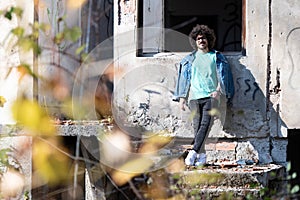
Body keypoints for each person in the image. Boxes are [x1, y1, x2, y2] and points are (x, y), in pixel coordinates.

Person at [173, 24, 235, 166]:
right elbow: (184, 79)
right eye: (199, 38)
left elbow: (224, 77)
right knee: (197, 127)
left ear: (209, 40)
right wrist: (182, 98)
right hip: (194, 97)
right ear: (195, 41)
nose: (201, 40)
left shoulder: (216, 57)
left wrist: (218, 91)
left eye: (204, 38)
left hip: (211, 96)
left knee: (205, 124)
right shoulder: (190, 59)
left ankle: (193, 152)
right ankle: (202, 157)